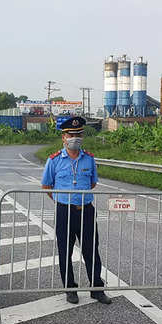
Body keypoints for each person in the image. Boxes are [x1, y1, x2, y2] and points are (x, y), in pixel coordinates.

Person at [41, 116, 111, 305]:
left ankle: (97, 288)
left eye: (78, 134)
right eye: (71, 134)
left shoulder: (89, 159)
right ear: (63, 137)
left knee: (91, 250)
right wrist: (62, 200)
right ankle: (70, 289)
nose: (75, 138)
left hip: (86, 211)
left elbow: (93, 182)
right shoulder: (54, 160)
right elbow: (46, 186)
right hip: (64, 211)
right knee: (65, 251)